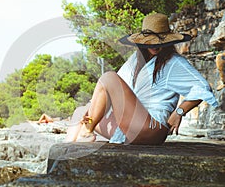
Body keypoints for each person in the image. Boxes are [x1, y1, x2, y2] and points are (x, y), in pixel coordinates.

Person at [66, 13, 219, 145]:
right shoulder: (136, 60)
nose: (154, 45)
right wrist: (92, 111)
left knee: (108, 77)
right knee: (81, 111)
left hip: (151, 127)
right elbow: (115, 91)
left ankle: (87, 132)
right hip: (131, 126)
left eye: (159, 40)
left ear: (168, 41)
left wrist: (179, 111)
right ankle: (67, 150)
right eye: (149, 41)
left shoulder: (174, 62)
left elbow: (203, 88)